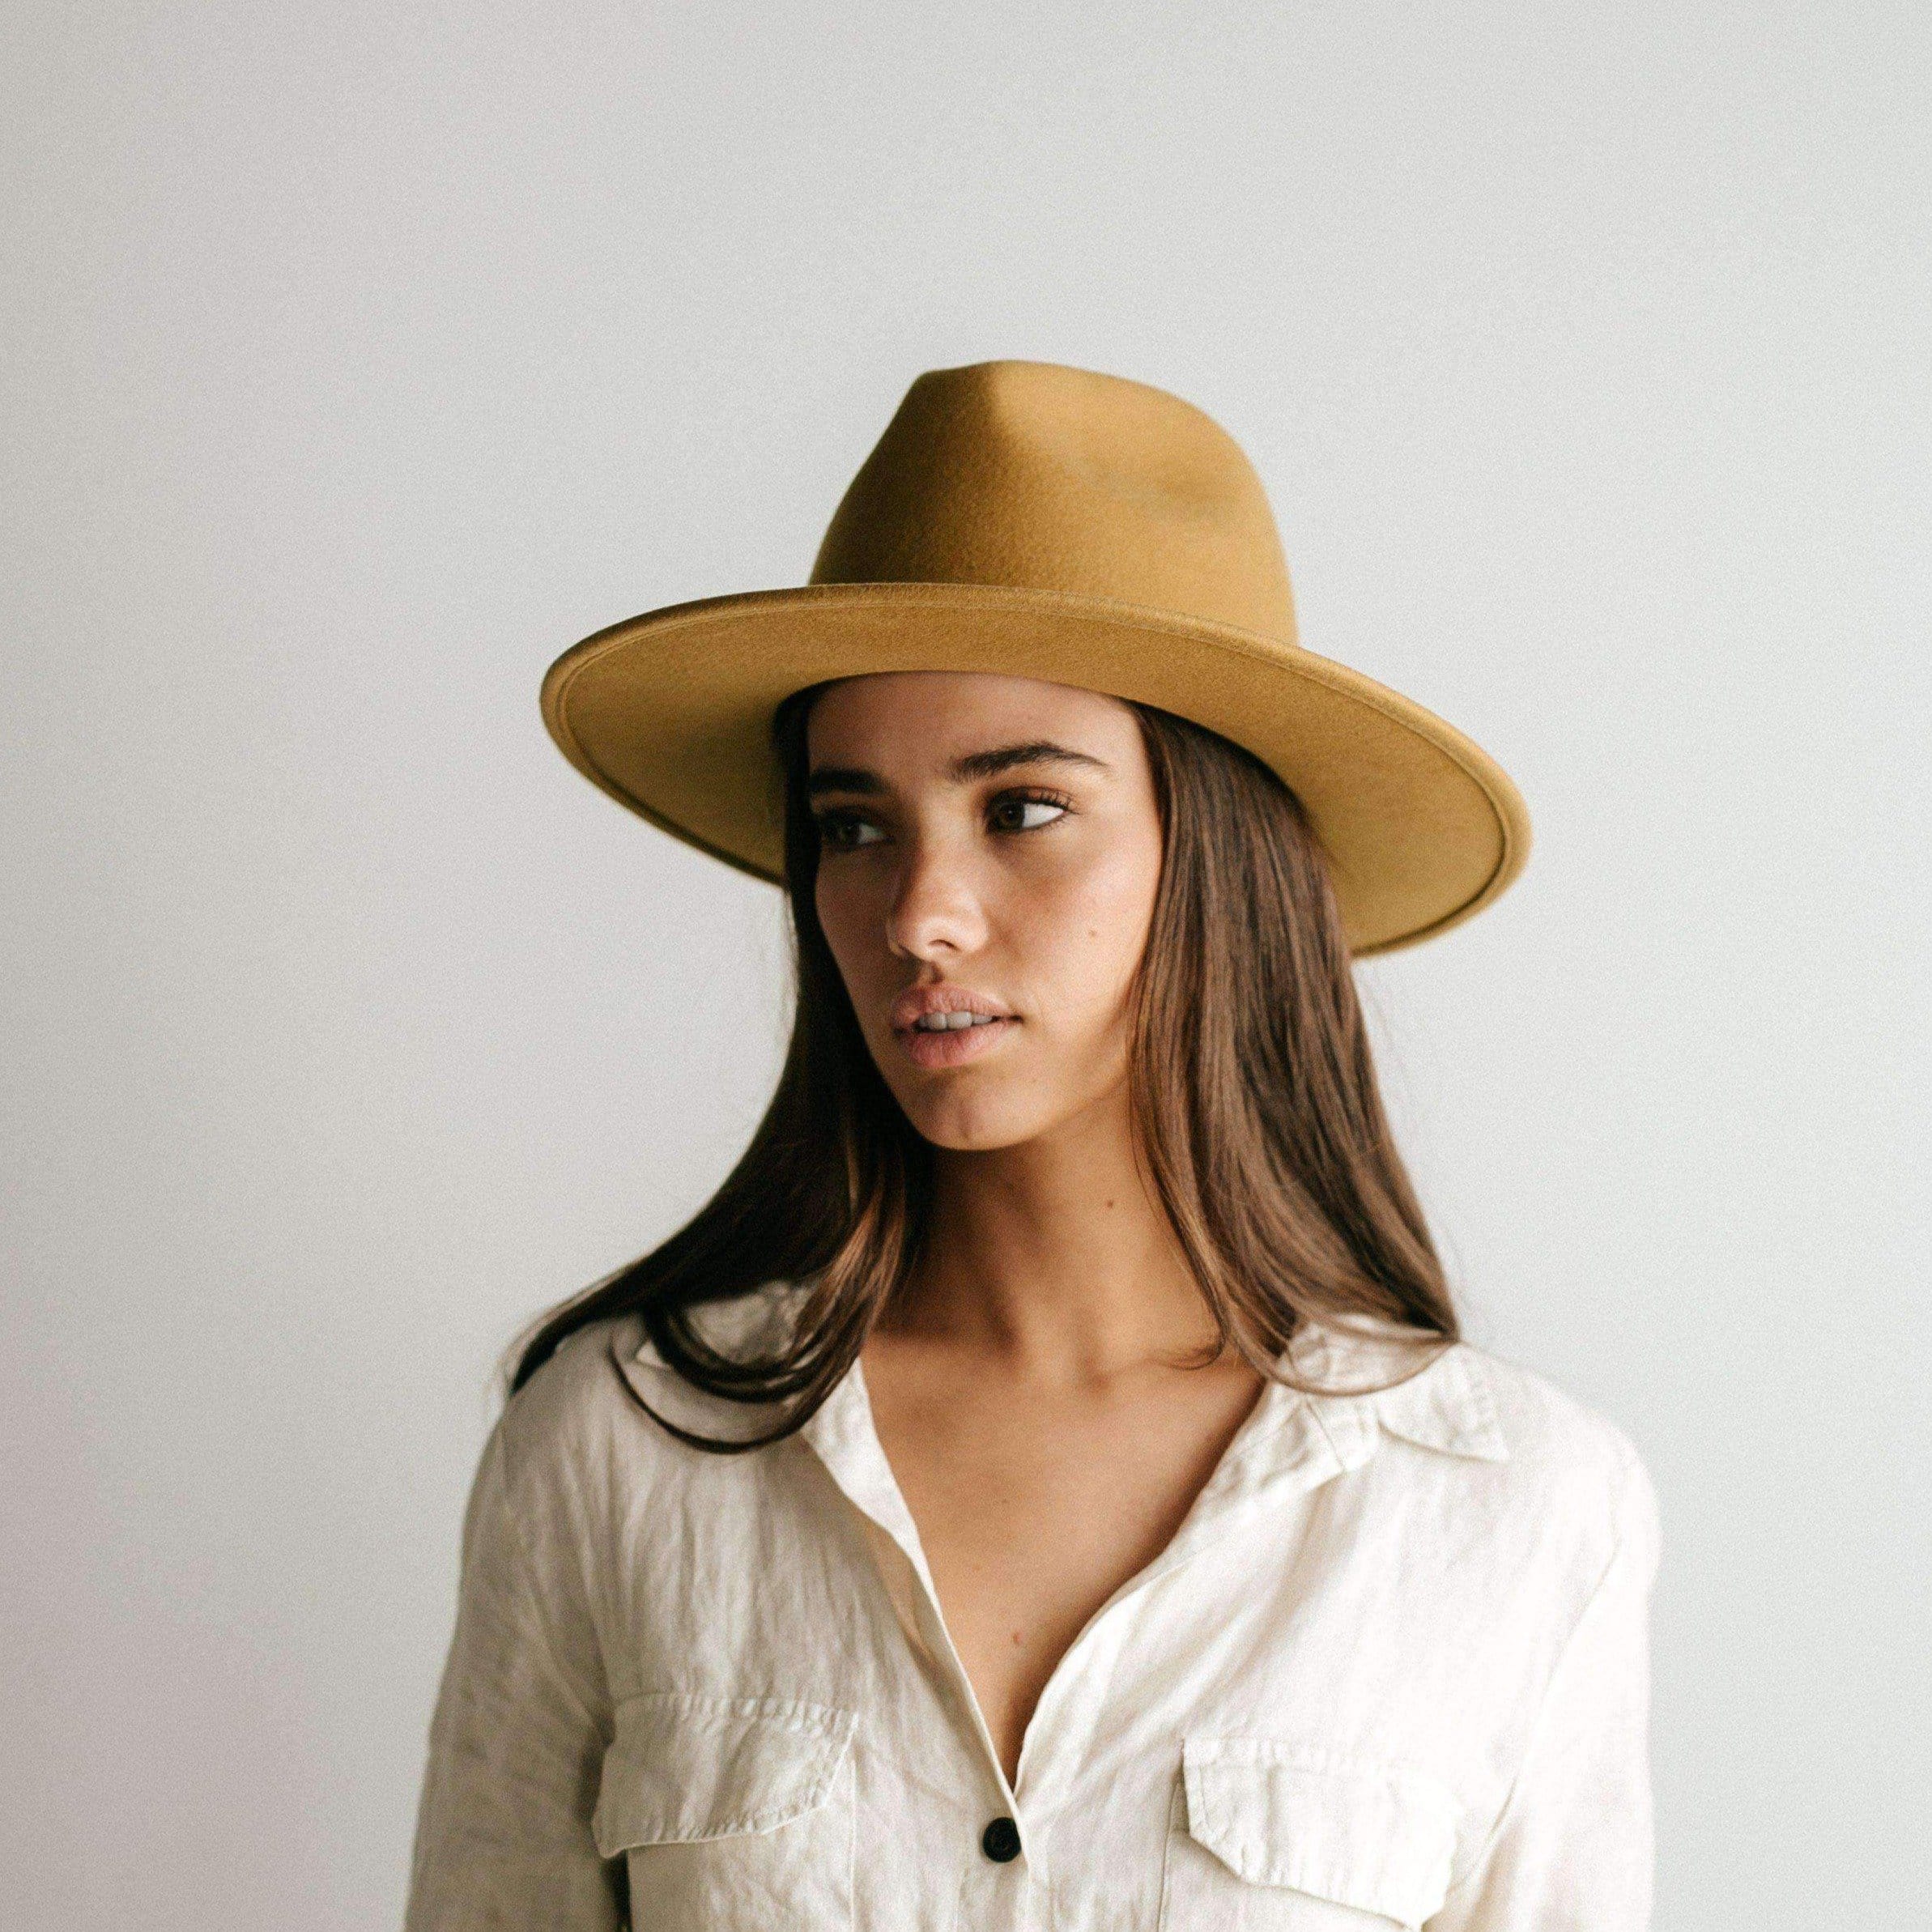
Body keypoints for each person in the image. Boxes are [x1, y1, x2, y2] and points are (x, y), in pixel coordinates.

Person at [403, 360, 1659, 1930]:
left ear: (1209, 851)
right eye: (851, 822)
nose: (915, 912)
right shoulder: (616, 1451)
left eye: (1020, 808)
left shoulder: (1507, 1504)